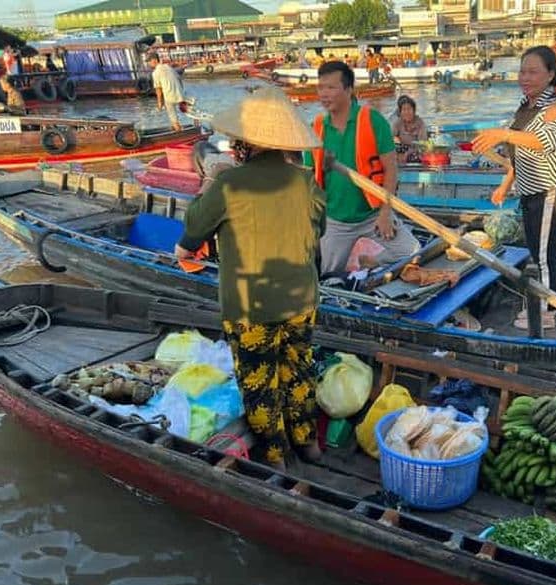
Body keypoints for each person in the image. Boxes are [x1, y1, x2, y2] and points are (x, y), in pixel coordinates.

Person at [174, 87, 325, 470]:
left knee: (260, 382)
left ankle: (276, 457)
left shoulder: (229, 185)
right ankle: (308, 444)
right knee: (299, 370)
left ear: (246, 142)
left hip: (251, 305)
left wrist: (212, 179)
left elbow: (193, 227)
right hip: (301, 300)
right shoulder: (305, 182)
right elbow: (319, 229)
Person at [471, 45, 556, 331]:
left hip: (552, 189)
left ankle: (545, 311)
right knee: (538, 251)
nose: (525, 77)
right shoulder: (525, 107)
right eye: (522, 71)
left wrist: (503, 133)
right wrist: (505, 185)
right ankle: (547, 302)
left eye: (533, 72)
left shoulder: (554, 107)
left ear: (550, 75)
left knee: (544, 255)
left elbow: (543, 142)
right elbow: (519, 152)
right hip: (532, 190)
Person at [304, 61, 419, 274]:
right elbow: (309, 179)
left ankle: (373, 261)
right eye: (320, 88)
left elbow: (391, 169)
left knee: (412, 252)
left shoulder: (372, 120)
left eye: (331, 87)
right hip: (335, 220)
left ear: (349, 90)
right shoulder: (317, 128)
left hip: (373, 214)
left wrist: (385, 212)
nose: (324, 94)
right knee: (329, 275)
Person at [147, 51, 185, 131]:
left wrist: (160, 103)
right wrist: (181, 92)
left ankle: (178, 131)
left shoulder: (156, 72)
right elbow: (179, 79)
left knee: (173, 118)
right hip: (179, 94)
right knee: (179, 113)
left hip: (169, 97)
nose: (148, 64)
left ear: (154, 60)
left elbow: (158, 90)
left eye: (149, 61)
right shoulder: (168, 67)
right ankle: (177, 128)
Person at [391, 94, 428, 164]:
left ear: (414, 111)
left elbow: (422, 144)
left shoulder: (420, 123)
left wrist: (408, 153)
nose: (407, 112)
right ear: (400, 112)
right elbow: (389, 138)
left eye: (409, 109)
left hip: (415, 151)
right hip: (400, 151)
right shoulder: (397, 123)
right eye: (404, 109)